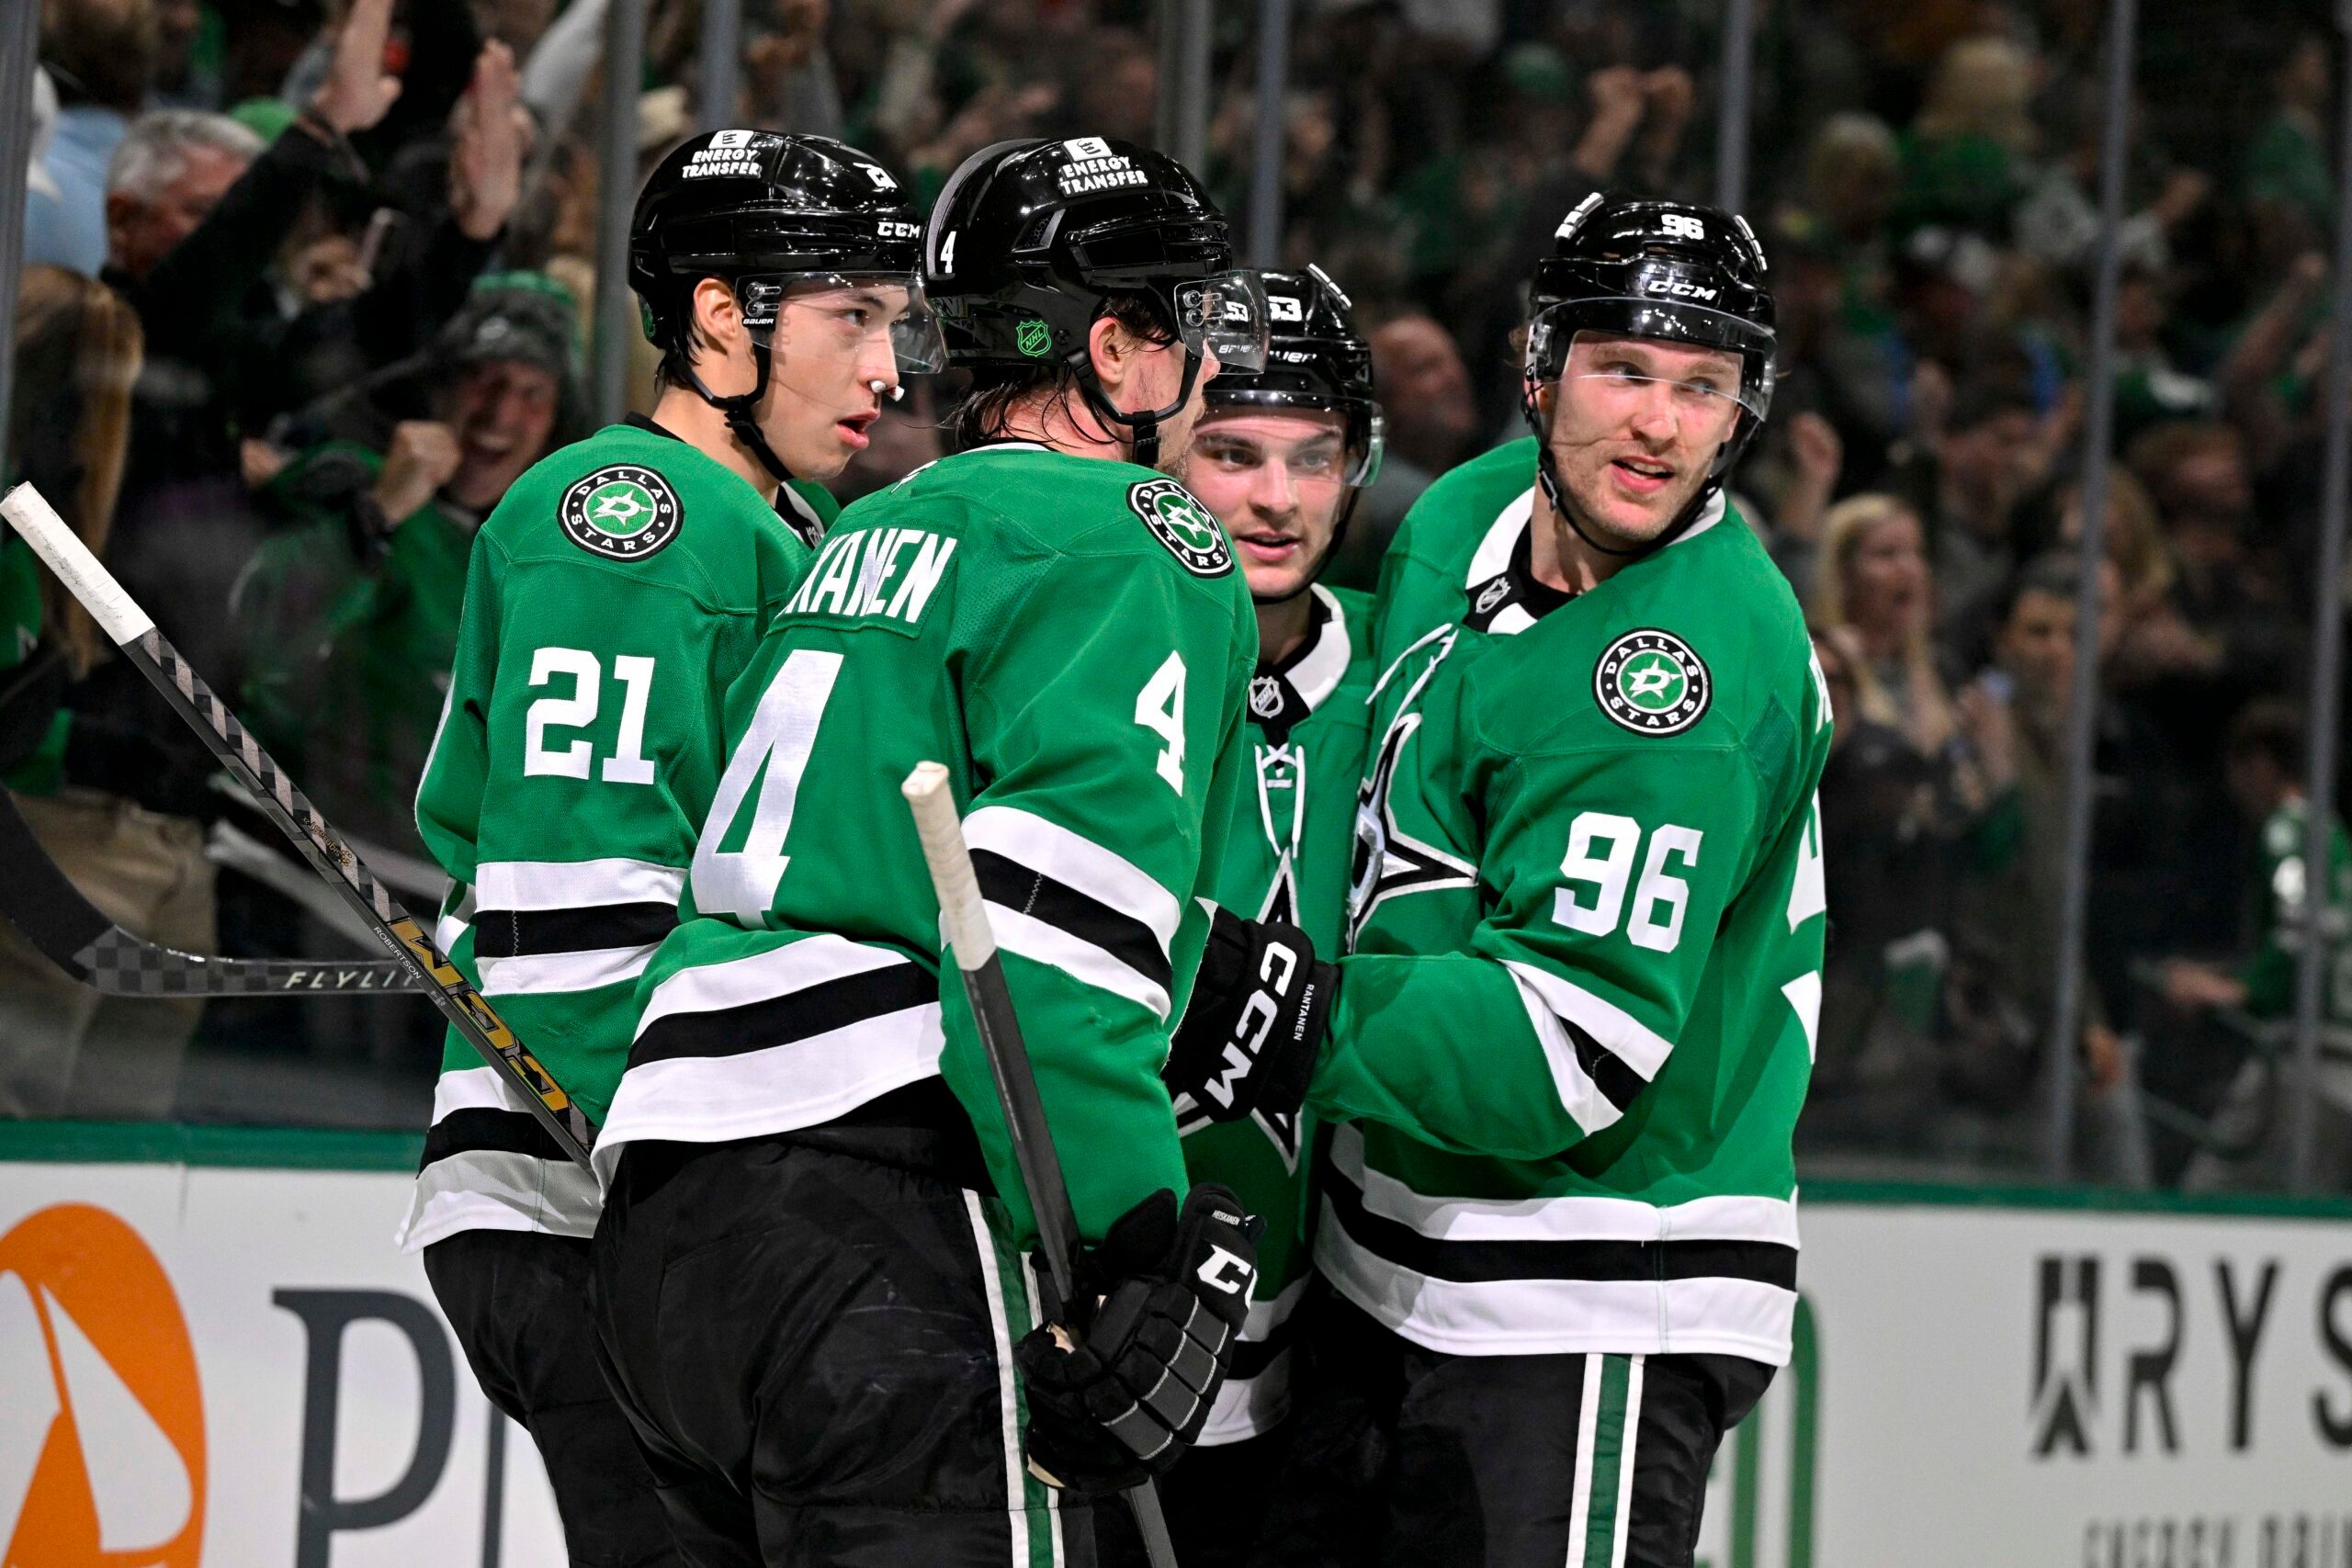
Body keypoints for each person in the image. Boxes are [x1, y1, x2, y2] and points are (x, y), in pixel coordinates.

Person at [588, 135, 1284, 1564]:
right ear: (1113, 346)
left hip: (664, 1234)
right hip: (879, 1222)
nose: (1209, 367)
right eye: (1187, 325)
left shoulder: (870, 529)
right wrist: (1131, 1246)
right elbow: (1054, 954)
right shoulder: (1130, 535)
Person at [1260, 194, 1832, 1566]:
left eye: (1701, 386)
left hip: (1588, 1283)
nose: (1660, 424)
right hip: (1384, 1248)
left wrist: (1268, 1008)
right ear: (1540, 368)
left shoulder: (1683, 677)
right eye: (1623, 370)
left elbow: (1563, 1047)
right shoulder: (1462, 516)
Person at [396, 130, 936, 1566]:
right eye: (852, 317)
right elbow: (570, 917)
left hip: (684, 1200)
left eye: (895, 322)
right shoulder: (629, 527)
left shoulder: (784, 528)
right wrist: (693, 1181)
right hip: (597, 1205)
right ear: (719, 315)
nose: (888, 369)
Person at [1100, 265, 1380, 1566]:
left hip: (1332, 1359)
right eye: (1231, 454)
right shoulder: (1094, 658)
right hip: (1104, 1313)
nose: (1275, 498)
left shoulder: (1410, 675)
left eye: (1310, 457)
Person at [232, 273, 587, 859]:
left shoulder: (551, 561)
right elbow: (255, 633)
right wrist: (377, 515)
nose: (501, 413)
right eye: (484, 379)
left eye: (532, 393)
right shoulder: (348, 483)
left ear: (556, 421)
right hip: (293, 856)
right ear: (440, 388)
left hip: (433, 883)